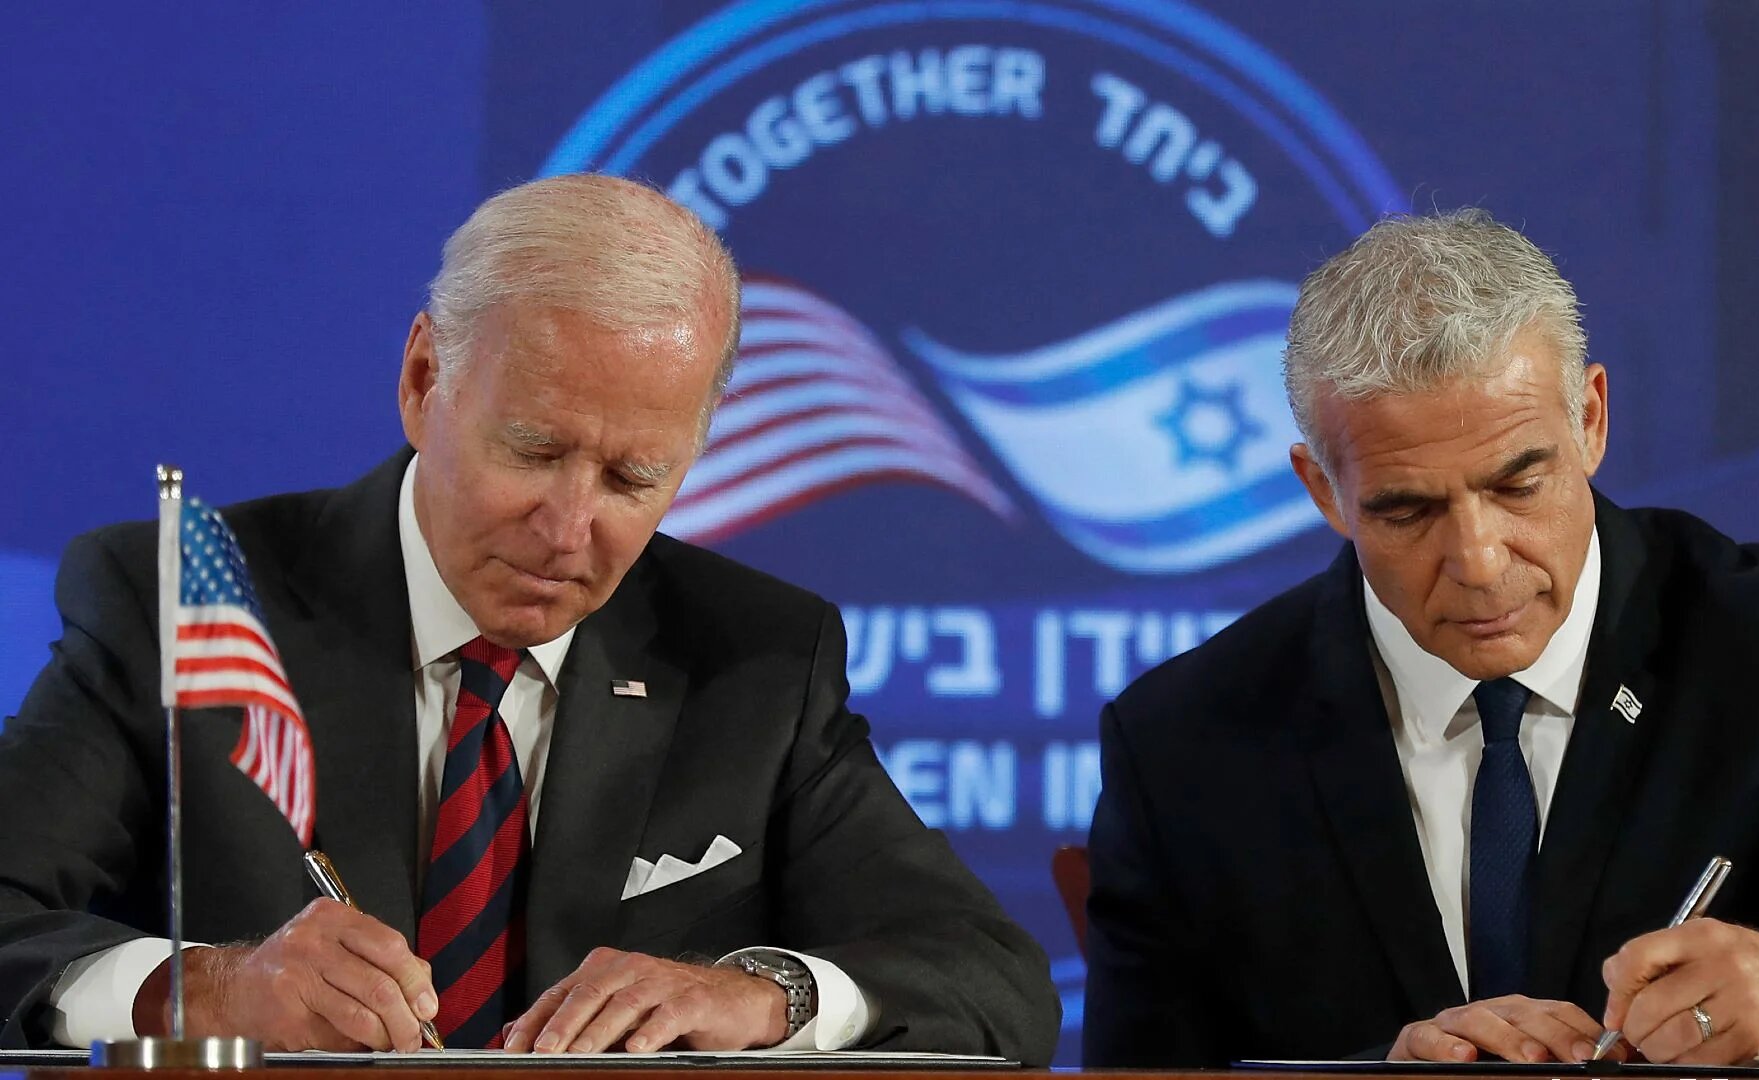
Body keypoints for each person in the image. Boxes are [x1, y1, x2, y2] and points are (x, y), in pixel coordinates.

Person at [0, 174, 1060, 1061]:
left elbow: (994, 980)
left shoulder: (755, 658)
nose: (570, 527)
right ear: (424, 379)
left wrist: (766, 995)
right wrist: (201, 991)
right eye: (537, 452)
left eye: (633, 477)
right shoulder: (188, 603)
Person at [1082, 209, 1759, 1067]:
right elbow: (1144, 1071)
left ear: (1589, 421)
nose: (1479, 563)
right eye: (1407, 509)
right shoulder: (1182, 744)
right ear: (1324, 491)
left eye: (1520, 484)